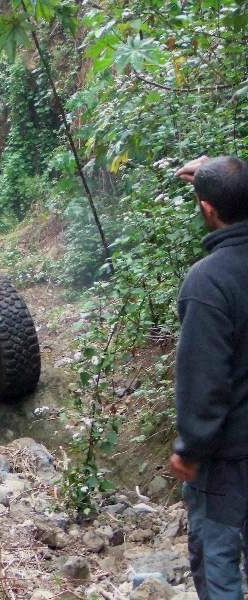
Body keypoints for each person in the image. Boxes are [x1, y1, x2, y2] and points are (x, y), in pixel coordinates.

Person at [170, 155, 248, 599]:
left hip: (226, 457)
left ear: (207, 209)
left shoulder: (208, 282)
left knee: (218, 558)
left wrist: (190, 447)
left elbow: (205, 380)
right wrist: (218, 173)